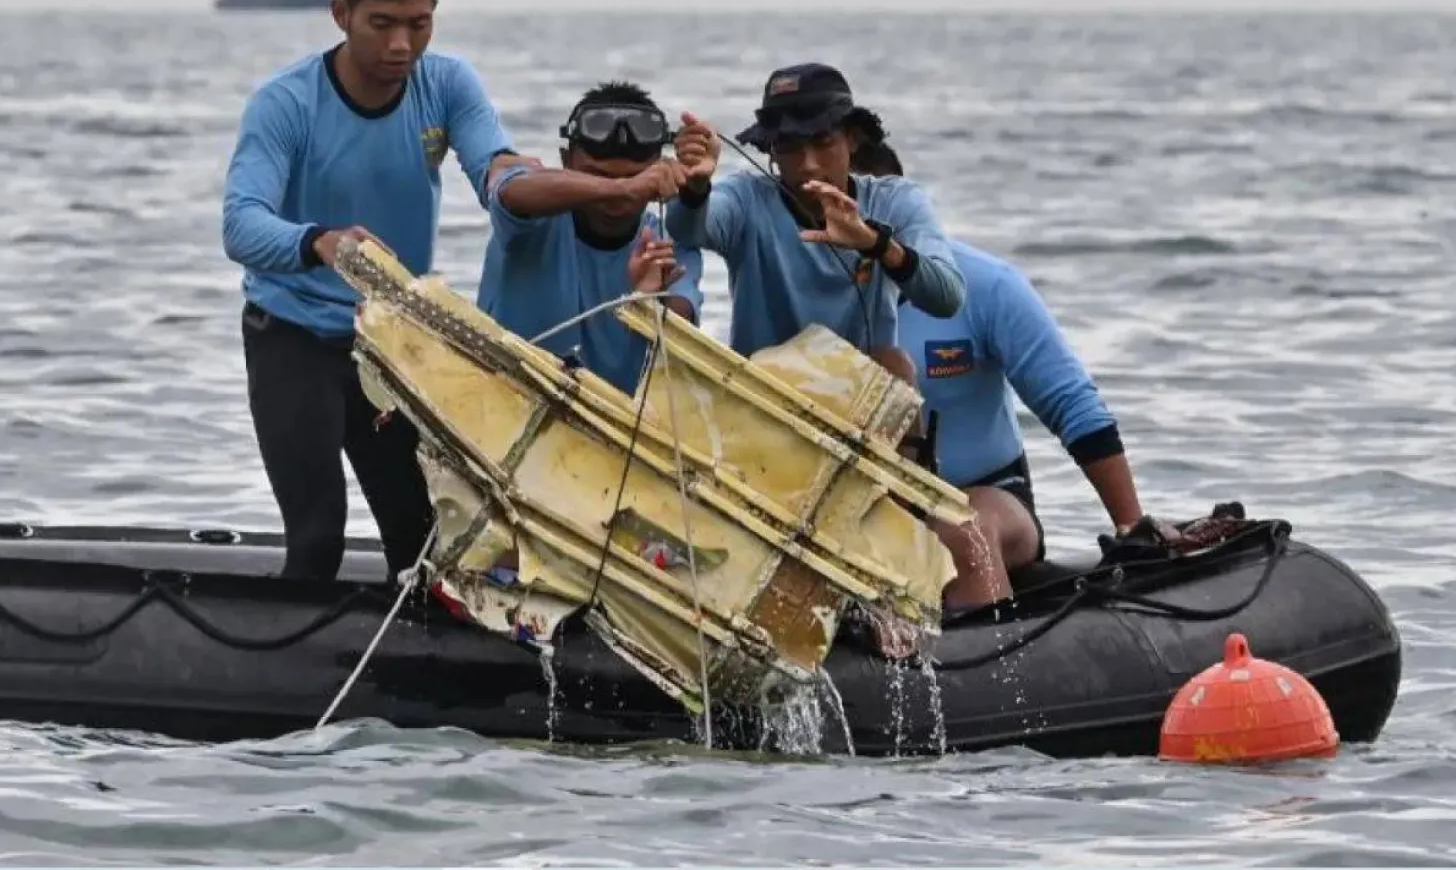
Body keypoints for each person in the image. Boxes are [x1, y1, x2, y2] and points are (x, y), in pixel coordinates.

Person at [220, 0, 531, 582]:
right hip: (293, 337)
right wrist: (319, 242)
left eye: (418, 24)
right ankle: (296, 675)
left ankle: (415, 680)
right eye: (381, 24)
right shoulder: (286, 102)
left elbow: (493, 171)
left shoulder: (445, 85)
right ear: (342, 15)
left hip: (389, 347)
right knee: (317, 539)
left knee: (425, 549)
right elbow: (241, 226)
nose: (400, 46)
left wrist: (588, 186)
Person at [847, 118, 1148, 608]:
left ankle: (996, 673)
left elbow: (1073, 406)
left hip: (985, 496)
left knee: (962, 532)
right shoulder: (804, 300)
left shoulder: (987, 285)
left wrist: (1131, 525)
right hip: (852, 506)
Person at [666, 62, 965, 367]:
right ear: (772, 151)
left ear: (853, 139)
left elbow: (947, 297)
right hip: (764, 392)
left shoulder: (895, 200)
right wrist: (696, 185)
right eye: (790, 147)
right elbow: (689, 229)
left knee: (896, 364)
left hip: (862, 396)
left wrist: (877, 244)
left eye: (823, 143)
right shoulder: (747, 200)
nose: (808, 165)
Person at [477, 81, 705, 394]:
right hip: (504, 399)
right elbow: (509, 190)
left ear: (658, 171)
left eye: (635, 175)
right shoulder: (530, 218)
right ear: (565, 161)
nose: (618, 198)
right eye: (597, 175)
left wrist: (649, 304)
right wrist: (627, 188)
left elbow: (685, 327)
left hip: (610, 427)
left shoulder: (668, 242)